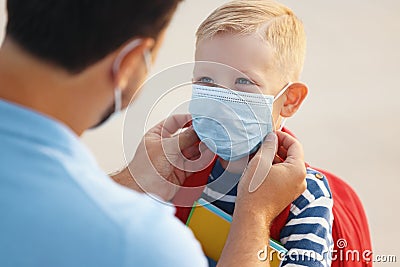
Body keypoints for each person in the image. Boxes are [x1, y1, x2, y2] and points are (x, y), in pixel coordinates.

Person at [0, 1, 307, 267]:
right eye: (205, 80)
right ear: (131, 62)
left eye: (242, 83)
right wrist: (255, 216)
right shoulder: (142, 245)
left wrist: (129, 182)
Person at [173, 1, 372, 266]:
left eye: (243, 82)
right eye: (207, 81)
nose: (220, 101)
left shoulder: (304, 195)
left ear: (289, 100)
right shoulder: (179, 165)